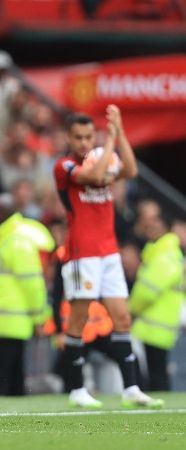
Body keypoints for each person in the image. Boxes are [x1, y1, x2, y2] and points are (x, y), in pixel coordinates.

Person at [53, 106, 162, 408]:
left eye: (89, 137)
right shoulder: (64, 166)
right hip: (80, 254)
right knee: (79, 317)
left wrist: (119, 133)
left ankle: (131, 388)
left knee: (122, 318)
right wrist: (108, 143)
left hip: (108, 252)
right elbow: (97, 174)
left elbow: (130, 170)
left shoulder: (101, 156)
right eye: (79, 137)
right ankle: (76, 389)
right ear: (69, 138)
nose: (85, 143)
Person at [0, 195, 54, 396]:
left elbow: (33, 284)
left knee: (4, 376)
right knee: (12, 375)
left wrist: (39, 317)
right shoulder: (7, 238)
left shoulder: (15, 241)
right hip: (7, 321)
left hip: (10, 321)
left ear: (4, 213)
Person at [129, 215, 185, 391]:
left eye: (155, 227)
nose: (150, 230)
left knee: (156, 373)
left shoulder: (164, 256)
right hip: (158, 324)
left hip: (154, 325)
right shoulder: (163, 253)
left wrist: (130, 309)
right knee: (157, 371)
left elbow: (147, 291)